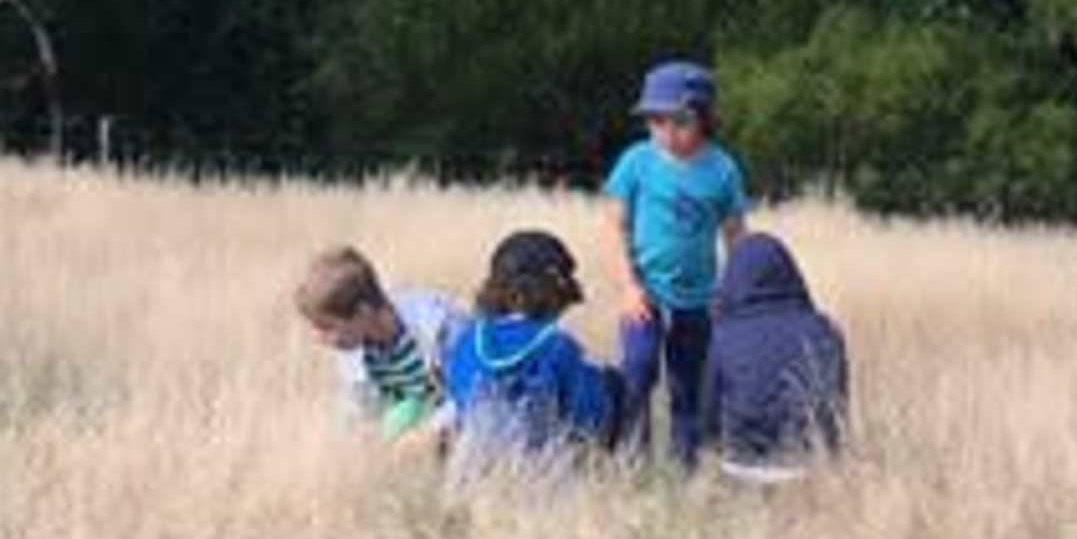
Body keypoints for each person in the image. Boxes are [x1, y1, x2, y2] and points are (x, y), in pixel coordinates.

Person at [599, 58, 747, 467]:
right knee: (638, 371)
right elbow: (613, 226)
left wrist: (733, 291)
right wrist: (628, 287)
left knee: (690, 388)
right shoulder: (637, 162)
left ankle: (687, 469)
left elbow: (735, 234)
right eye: (655, 121)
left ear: (703, 118)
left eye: (678, 121)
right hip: (644, 293)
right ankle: (632, 461)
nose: (666, 132)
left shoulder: (722, 169)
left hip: (700, 300)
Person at [440, 226, 620, 457]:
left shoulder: (469, 339)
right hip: (541, 472)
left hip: (471, 473)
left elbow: (458, 398)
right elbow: (590, 416)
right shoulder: (557, 345)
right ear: (553, 296)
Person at [706, 229, 850, 482]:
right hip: (811, 465)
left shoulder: (721, 336)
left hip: (742, 466)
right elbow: (838, 406)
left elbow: (707, 412)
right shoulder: (826, 331)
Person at [293, 245, 463, 439]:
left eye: (328, 328)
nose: (320, 339)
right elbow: (360, 413)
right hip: (409, 438)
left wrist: (429, 433)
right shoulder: (355, 354)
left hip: (459, 431)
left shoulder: (438, 327)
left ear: (362, 314)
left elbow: (473, 395)